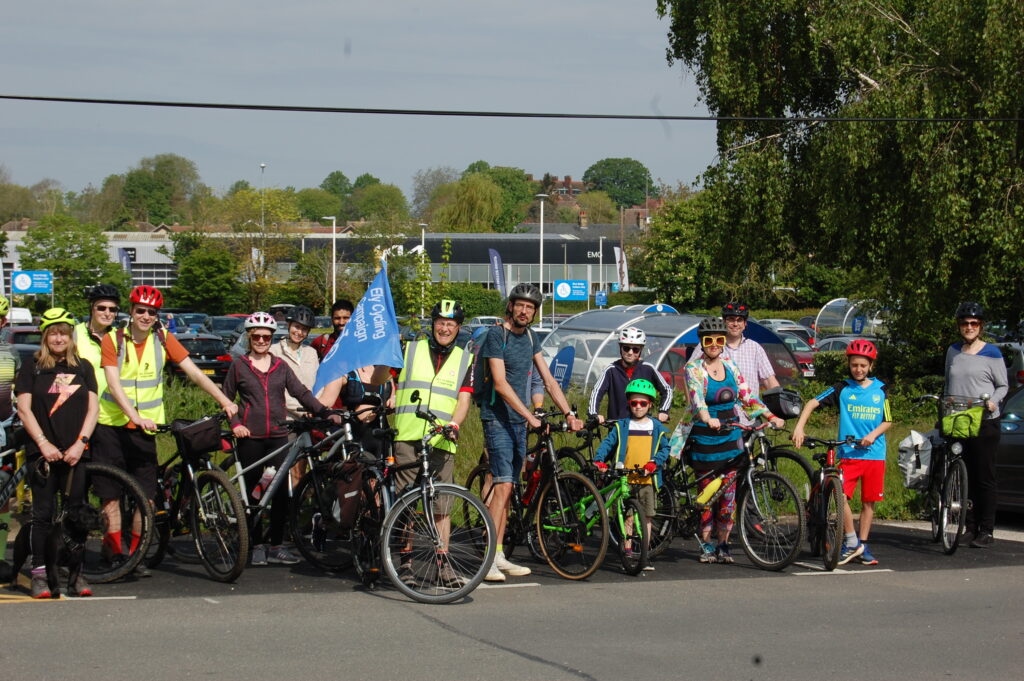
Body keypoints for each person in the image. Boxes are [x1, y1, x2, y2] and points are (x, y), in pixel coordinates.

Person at [97, 285, 238, 574]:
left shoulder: (162, 339)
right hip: (111, 424)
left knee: (146, 495)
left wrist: (224, 400)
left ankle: (135, 555)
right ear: (131, 311)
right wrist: (134, 415)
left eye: (151, 312)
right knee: (110, 495)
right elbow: (113, 384)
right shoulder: (113, 340)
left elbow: (196, 373)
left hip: (147, 429)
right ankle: (113, 551)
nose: (146, 316)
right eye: (141, 311)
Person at [476, 283, 583, 582]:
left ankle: (497, 554)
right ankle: (488, 558)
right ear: (510, 306)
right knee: (503, 486)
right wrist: (530, 417)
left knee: (509, 489)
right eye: (520, 305)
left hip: (518, 422)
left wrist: (569, 414)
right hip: (497, 418)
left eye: (530, 307)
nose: (524, 311)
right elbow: (499, 383)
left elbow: (548, 379)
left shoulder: (531, 337)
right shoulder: (497, 335)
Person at [223, 312, 340, 566]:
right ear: (250, 337)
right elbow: (227, 399)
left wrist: (325, 412)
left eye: (266, 337)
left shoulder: (279, 366)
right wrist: (235, 424)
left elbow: (300, 392)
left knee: (277, 493)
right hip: (251, 438)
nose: (262, 341)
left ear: (271, 337)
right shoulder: (240, 366)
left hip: (277, 437)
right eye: (257, 337)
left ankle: (276, 545)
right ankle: (255, 545)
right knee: (254, 494)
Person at [671, 317, 783, 564]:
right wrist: (707, 418)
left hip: (731, 434)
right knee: (707, 493)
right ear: (702, 343)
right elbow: (697, 400)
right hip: (705, 437)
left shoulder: (730, 366)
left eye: (718, 340)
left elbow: (746, 396)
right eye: (708, 341)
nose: (713, 345)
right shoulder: (694, 369)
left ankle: (723, 543)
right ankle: (707, 543)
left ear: (723, 343)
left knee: (728, 495)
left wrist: (770, 415)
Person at [15, 308, 98, 598]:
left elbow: (93, 408)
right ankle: (39, 572)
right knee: (43, 515)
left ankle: (75, 573)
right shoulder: (33, 366)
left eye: (64, 332)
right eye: (53, 333)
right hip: (43, 455)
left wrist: (81, 443)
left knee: (77, 514)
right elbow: (24, 410)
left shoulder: (84, 367)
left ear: (71, 336)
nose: (59, 337)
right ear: (45, 336)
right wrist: (43, 444)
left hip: (76, 454)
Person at [391, 299, 474, 586]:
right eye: (440, 322)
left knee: (442, 507)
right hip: (408, 436)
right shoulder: (410, 350)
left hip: (442, 439)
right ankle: (405, 564)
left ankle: (443, 565)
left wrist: (455, 423)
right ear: (432, 324)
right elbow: (387, 378)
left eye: (451, 324)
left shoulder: (465, 358)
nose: (445, 328)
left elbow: (463, 399)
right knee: (407, 504)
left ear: (458, 328)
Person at [792, 339, 893, 565]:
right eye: (855, 365)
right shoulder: (842, 388)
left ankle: (863, 547)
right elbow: (811, 403)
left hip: (875, 454)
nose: (858, 369)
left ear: (871, 367)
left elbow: (888, 421)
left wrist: (872, 435)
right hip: (849, 454)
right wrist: (800, 427)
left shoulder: (881, 390)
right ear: (849, 364)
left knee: (869, 502)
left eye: (863, 366)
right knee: (841, 497)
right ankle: (851, 540)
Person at [944, 301, 1008, 548]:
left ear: (980, 326)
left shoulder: (991, 353)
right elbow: (948, 382)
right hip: (958, 421)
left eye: (973, 323)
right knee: (963, 475)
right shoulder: (953, 351)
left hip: (984, 423)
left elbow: (1003, 385)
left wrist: (992, 402)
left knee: (984, 476)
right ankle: (968, 526)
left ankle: (986, 529)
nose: (968, 327)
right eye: (964, 323)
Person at [593, 378, 671, 571]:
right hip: (626, 479)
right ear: (629, 403)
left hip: (647, 479)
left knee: (647, 517)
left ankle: (643, 554)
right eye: (634, 403)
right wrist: (599, 459)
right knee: (628, 517)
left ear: (650, 405)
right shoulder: (623, 426)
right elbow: (608, 444)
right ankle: (627, 553)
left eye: (643, 403)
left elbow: (665, 448)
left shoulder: (656, 427)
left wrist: (654, 463)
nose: (638, 407)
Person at [690, 302, 779, 418]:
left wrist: (779, 406)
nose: (735, 324)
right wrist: (694, 408)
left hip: (748, 418)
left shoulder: (755, 348)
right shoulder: (709, 345)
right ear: (724, 322)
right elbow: (690, 377)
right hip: (713, 418)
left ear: (745, 323)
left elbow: (769, 380)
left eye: (739, 320)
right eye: (731, 319)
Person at [589, 326, 672, 423]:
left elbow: (667, 390)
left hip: (643, 427)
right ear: (620, 348)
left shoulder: (648, 368)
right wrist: (593, 414)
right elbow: (597, 391)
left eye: (635, 349)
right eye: (626, 348)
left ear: (641, 350)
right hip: (617, 427)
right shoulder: (611, 370)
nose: (630, 352)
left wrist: (663, 411)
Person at [0, 295, 20, 582]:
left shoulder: (10, 354)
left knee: (3, 498)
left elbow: (15, 392)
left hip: (5, 431)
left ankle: (0, 556)